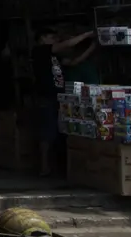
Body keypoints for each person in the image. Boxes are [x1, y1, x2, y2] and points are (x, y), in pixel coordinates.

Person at [32, 28, 94, 176]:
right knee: (47, 133)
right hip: (47, 96)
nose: (54, 39)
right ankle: (44, 167)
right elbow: (66, 44)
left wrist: (92, 47)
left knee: (61, 131)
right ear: (42, 39)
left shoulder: (55, 57)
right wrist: (86, 34)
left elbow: (73, 62)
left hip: (59, 97)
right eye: (51, 36)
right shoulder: (40, 51)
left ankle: (59, 166)